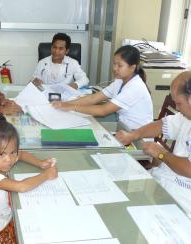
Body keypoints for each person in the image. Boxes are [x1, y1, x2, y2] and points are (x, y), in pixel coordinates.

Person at [115, 71, 191, 216]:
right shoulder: (186, 117)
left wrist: (161, 154)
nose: (178, 108)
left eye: (179, 103)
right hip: (168, 180)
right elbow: (162, 124)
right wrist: (133, 134)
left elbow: (189, 169)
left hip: (184, 198)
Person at [0, 117, 58, 242]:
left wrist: (40, 163)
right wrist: (46, 175)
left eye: (12, 152)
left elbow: (22, 154)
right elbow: (21, 187)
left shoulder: (1, 161)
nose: (9, 159)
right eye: (2, 154)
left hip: (5, 220)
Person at [52, 45, 153, 130]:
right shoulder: (119, 81)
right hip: (124, 128)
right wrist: (63, 104)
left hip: (138, 136)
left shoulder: (135, 87)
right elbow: (93, 98)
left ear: (132, 67)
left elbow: (103, 110)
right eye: (114, 64)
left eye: (120, 65)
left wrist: (70, 107)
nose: (114, 68)